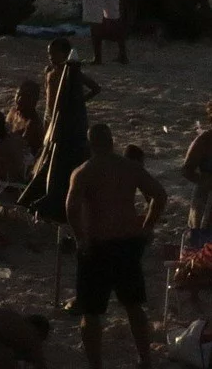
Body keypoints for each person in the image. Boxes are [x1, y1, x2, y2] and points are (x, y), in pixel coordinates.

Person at [66, 123, 168, 369]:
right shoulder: (129, 167)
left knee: (91, 314)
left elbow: (71, 209)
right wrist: (146, 226)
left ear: (91, 144)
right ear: (112, 142)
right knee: (133, 306)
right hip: (127, 244)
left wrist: (81, 238)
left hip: (97, 245)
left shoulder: (83, 172)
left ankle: (96, 364)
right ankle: (144, 358)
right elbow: (159, 195)